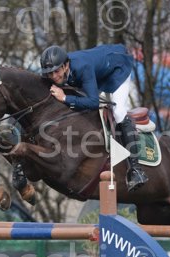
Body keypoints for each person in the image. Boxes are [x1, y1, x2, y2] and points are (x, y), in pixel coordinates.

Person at [40, 44, 147, 192]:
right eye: (49, 74)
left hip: (118, 68)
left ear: (65, 66)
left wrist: (65, 98)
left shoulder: (82, 67)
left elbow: (93, 102)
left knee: (118, 111)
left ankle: (136, 170)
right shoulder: (60, 70)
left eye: (56, 71)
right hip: (100, 72)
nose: (53, 77)